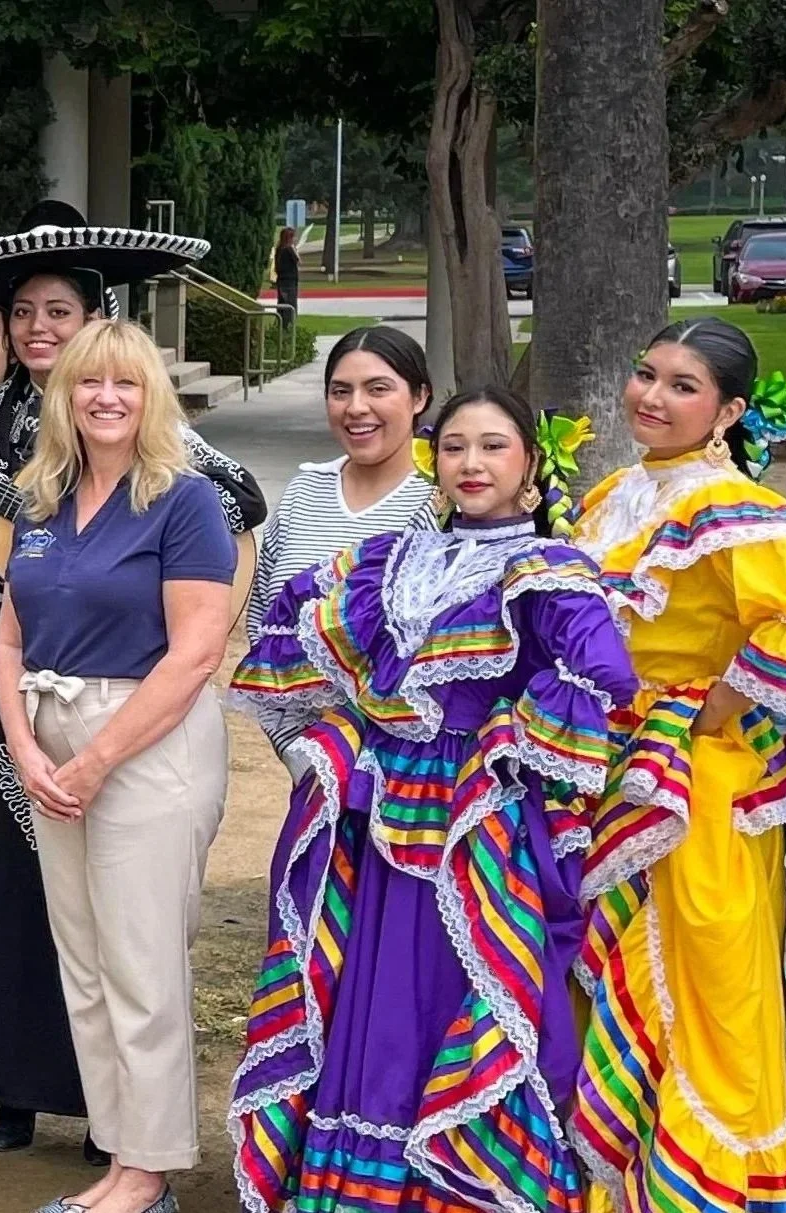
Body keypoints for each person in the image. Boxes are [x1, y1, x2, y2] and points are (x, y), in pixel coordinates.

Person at [0, 209, 266, 1160]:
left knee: (132, 945)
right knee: (22, 907)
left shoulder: (164, 467)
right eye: (19, 312)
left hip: (129, 703)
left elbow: (233, 502)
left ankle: (136, 1151)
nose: (32, 330)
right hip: (17, 695)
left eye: (53, 312)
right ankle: (22, 1087)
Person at [229, 384, 636, 1212]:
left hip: (478, 830)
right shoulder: (391, 560)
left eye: (492, 445)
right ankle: (364, 1185)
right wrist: (356, 721)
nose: (471, 463)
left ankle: (457, 1182)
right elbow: (289, 620)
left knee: (460, 989)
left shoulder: (548, 570)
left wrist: (501, 742)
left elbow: (605, 675)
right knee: (368, 989)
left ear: (529, 463)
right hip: (377, 823)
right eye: (453, 446)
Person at [568, 317, 786, 1212]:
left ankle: (698, 1189)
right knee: (613, 964)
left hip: (695, 779)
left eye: (682, 385)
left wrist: (704, 707)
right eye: (646, 373)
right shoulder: (614, 492)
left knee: (703, 980)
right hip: (604, 766)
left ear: (729, 409)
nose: (652, 396)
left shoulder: (736, 507)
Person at [0, 320, 235, 1213]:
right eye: (89, 383)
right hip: (48, 741)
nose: (105, 398)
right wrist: (23, 746)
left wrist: (93, 759)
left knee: (141, 963)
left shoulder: (185, 502)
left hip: (143, 739)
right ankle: (120, 1153)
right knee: (86, 962)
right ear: (62, 395)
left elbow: (194, 653)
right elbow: (9, 636)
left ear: (151, 397)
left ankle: (150, 1168)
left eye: (126, 385)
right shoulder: (38, 502)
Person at [245, 326, 436, 647]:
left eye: (377, 389)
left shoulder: (441, 500)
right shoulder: (302, 492)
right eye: (340, 391)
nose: (356, 407)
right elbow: (260, 617)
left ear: (419, 397)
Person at [272, 226, 300, 324]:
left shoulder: (280, 249)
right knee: (290, 305)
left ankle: (282, 324)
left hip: (282, 281)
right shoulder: (288, 249)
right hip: (289, 282)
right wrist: (294, 249)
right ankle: (288, 325)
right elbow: (297, 260)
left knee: (282, 304)